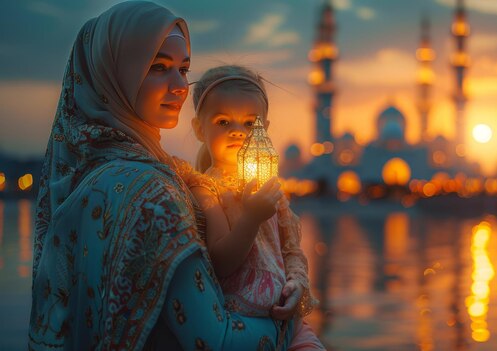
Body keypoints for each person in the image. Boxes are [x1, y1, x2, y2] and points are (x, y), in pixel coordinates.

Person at [29, 2, 293, 350]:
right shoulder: (149, 190)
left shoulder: (87, 173)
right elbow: (215, 339)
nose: (180, 85)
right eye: (158, 67)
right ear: (116, 73)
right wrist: (291, 328)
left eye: (183, 69)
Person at [182, 65, 325, 350]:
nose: (237, 133)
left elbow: (291, 251)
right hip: (242, 325)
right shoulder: (207, 189)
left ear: (265, 129)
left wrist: (296, 284)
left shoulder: (270, 188)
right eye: (223, 122)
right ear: (200, 128)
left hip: (289, 324)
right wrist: (251, 217)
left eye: (249, 124)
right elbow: (222, 262)